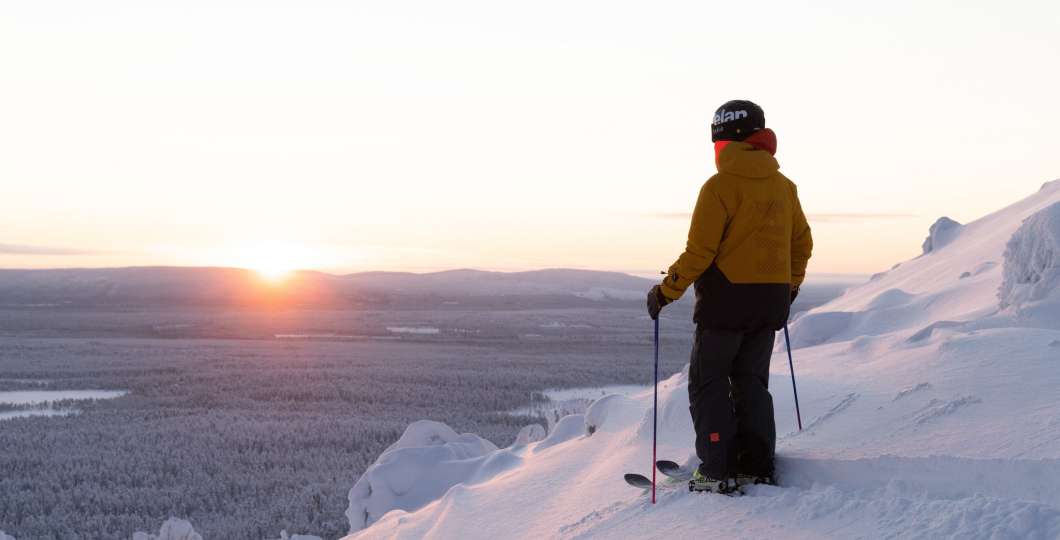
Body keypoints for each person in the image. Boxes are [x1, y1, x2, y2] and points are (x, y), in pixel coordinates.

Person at [646, 100, 813, 493]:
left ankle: (717, 467)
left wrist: (665, 291)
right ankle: (756, 463)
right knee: (752, 381)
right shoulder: (784, 187)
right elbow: (801, 245)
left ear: (722, 139)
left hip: (724, 304)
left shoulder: (719, 187)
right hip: (769, 304)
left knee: (709, 382)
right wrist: (788, 289)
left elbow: (700, 253)